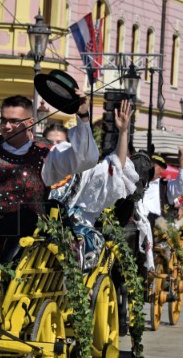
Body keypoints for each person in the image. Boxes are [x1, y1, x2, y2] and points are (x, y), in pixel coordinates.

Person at [0, 92, 99, 261]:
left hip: (32, 234)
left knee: (33, 215)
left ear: (30, 123)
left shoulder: (46, 151)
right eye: (3, 120)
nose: (6, 126)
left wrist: (83, 116)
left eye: (14, 121)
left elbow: (85, 159)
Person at [49, 100, 138, 271]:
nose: (55, 148)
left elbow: (116, 166)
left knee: (80, 242)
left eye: (60, 143)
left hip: (77, 230)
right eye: (50, 143)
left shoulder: (86, 171)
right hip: (42, 230)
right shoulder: (38, 170)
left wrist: (123, 132)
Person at [133, 148, 183, 271]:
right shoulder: (136, 181)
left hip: (157, 227)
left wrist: (181, 163)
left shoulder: (165, 186)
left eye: (159, 167)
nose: (159, 171)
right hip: (136, 223)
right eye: (155, 166)